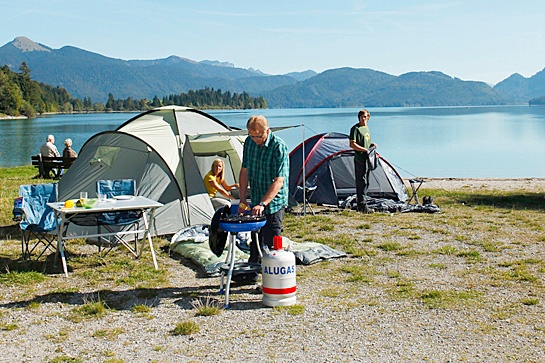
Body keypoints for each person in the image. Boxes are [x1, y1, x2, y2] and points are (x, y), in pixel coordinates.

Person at [238, 115, 290, 269]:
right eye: (252, 135)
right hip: (256, 195)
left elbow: (278, 181)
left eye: (259, 136)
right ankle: (252, 272)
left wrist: (263, 203)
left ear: (267, 130)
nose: (255, 139)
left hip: (274, 202)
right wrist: (242, 199)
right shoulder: (249, 143)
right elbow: (244, 172)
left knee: (272, 240)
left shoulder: (278, 147)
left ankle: (273, 277)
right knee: (255, 238)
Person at [349, 109, 377, 212]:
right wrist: (364, 150)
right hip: (360, 159)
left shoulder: (366, 128)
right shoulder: (355, 129)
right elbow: (352, 144)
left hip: (367, 159)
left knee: (366, 182)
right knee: (361, 181)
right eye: (362, 117)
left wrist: (371, 145)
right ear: (359, 117)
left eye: (366, 117)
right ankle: (361, 205)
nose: (364, 119)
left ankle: (363, 202)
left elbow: (365, 142)